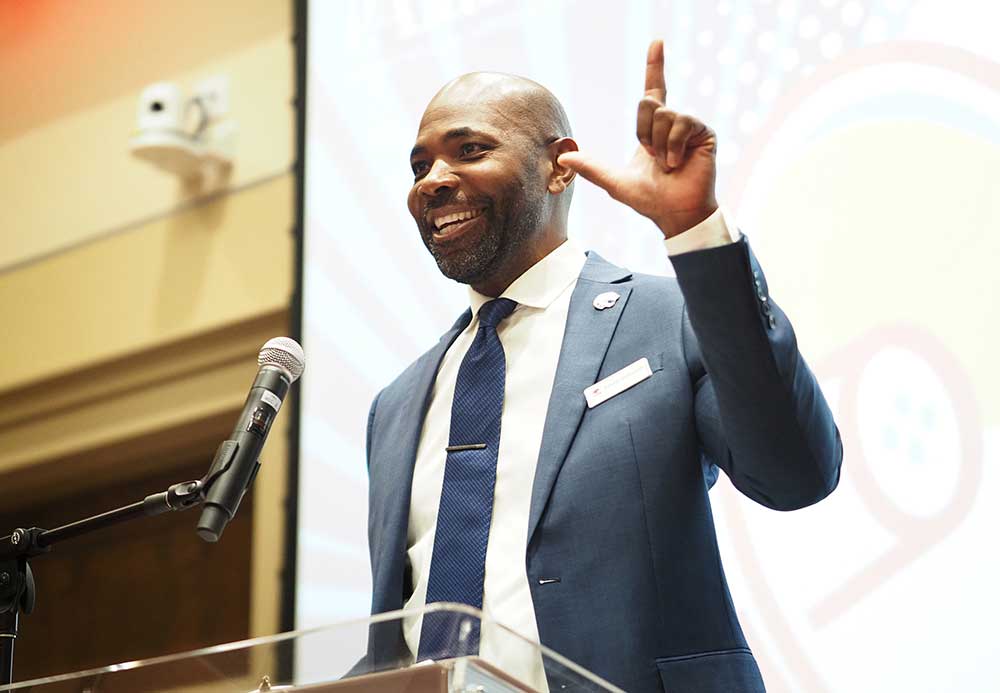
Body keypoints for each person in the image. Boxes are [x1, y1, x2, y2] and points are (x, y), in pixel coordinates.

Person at [362, 40, 842, 693]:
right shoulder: (395, 404)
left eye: (469, 150)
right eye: (420, 164)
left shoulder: (667, 316)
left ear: (561, 167)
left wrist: (696, 230)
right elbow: (400, 636)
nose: (432, 180)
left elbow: (795, 474)